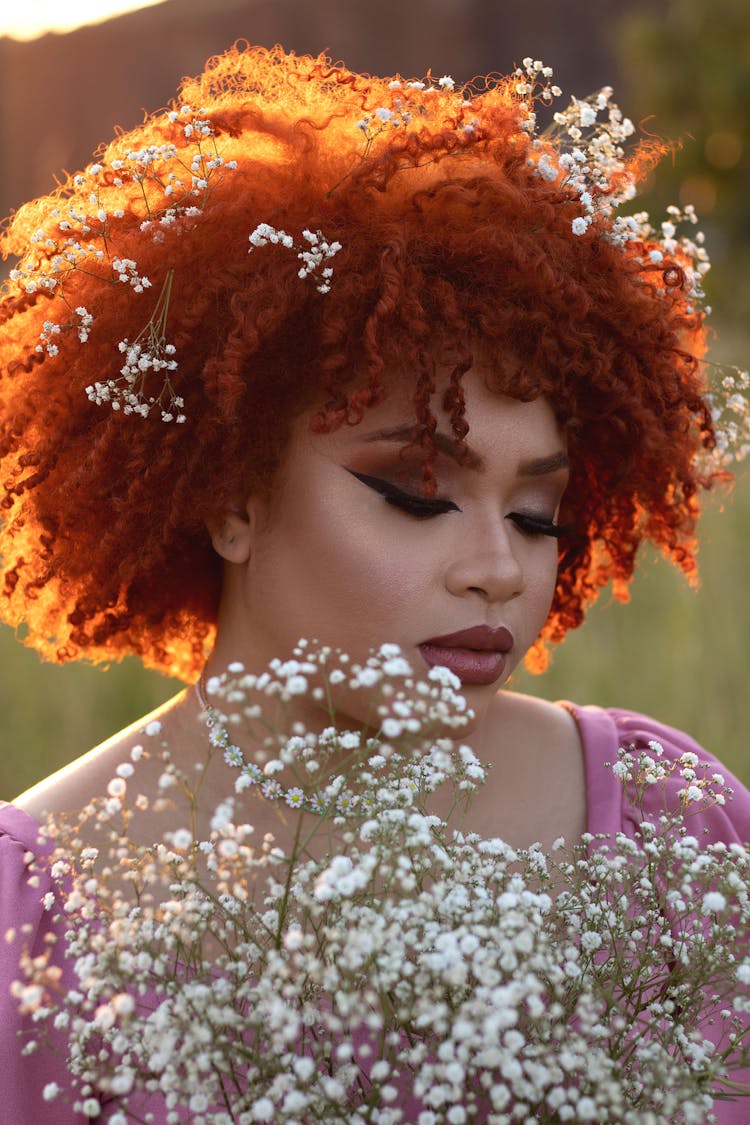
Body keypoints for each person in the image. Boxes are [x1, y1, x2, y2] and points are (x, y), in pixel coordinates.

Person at [0, 43, 748, 1122]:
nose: (499, 568)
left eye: (539, 513)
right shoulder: (38, 919)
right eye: (415, 494)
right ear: (233, 496)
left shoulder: (673, 833)